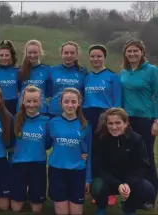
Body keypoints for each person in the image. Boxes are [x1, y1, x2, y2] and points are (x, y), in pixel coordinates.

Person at [91, 108, 156, 215]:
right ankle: (101, 207)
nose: (114, 127)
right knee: (97, 187)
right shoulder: (100, 139)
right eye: (110, 123)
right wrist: (117, 184)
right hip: (108, 178)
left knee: (147, 189)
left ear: (125, 123)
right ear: (106, 124)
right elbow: (98, 167)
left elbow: (143, 165)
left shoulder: (136, 139)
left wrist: (127, 183)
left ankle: (129, 209)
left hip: (129, 178)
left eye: (118, 123)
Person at [83, 45, 121, 206]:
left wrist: (114, 120)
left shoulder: (113, 77)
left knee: (107, 153)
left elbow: (118, 101)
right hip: (88, 117)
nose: (95, 59)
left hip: (105, 117)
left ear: (104, 57)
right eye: (92, 56)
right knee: (90, 154)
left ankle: (109, 191)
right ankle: (92, 188)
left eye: (99, 56)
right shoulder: (87, 77)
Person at [120, 38, 158, 193]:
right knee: (129, 155)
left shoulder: (152, 70)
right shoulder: (124, 72)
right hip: (127, 120)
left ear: (142, 52)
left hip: (146, 119)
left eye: (136, 50)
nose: (132, 53)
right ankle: (132, 190)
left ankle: (150, 192)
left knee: (146, 155)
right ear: (125, 54)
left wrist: (157, 120)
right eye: (129, 51)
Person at [47, 88, 92, 215]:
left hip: (77, 172)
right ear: (61, 103)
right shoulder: (52, 123)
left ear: (79, 103)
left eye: (73, 101)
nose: (70, 105)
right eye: (66, 101)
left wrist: (87, 179)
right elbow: (46, 144)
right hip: (57, 170)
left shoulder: (85, 125)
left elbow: (89, 154)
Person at [10, 85, 50, 213]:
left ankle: (32, 192)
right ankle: (23, 191)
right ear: (23, 101)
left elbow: (48, 144)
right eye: (28, 101)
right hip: (18, 164)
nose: (31, 105)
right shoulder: (15, 119)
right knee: (16, 209)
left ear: (40, 102)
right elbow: (10, 142)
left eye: (35, 101)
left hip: (38, 165)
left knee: (36, 209)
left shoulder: (46, 121)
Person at [48, 41, 88, 117]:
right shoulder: (52, 70)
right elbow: (48, 91)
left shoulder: (83, 71)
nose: (69, 55)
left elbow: (85, 93)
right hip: (55, 112)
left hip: (76, 113)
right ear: (61, 54)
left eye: (72, 53)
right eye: (66, 53)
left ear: (77, 55)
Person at [16, 40, 50, 115]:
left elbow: (49, 91)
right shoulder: (20, 70)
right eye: (30, 53)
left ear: (40, 53)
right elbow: (18, 89)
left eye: (35, 52)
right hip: (22, 110)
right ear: (26, 53)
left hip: (41, 110)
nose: (32, 55)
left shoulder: (47, 70)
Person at [0, 40, 20, 115]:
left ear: (11, 56)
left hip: (14, 107)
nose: (4, 58)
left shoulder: (18, 70)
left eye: (7, 55)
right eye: (1, 55)